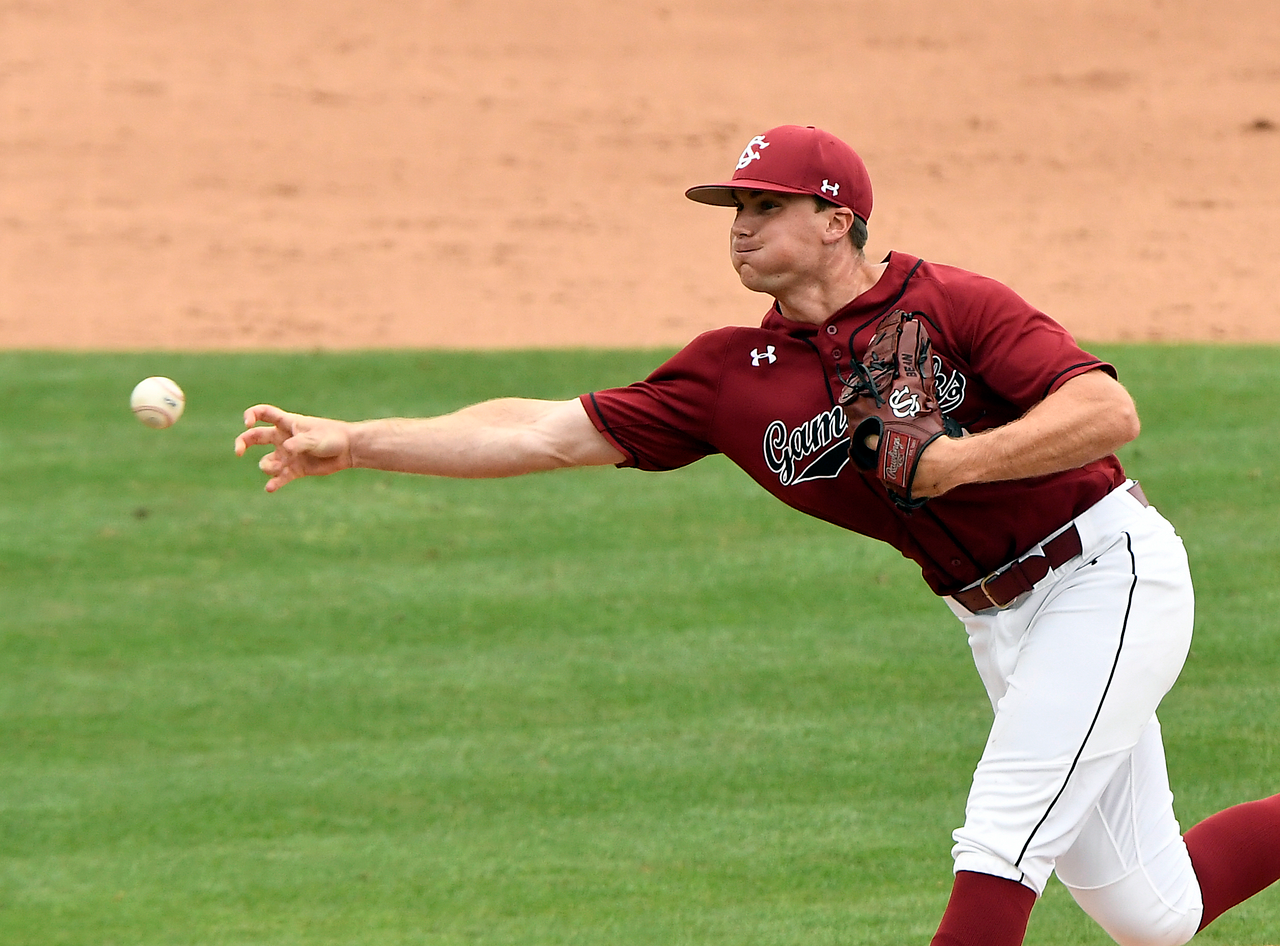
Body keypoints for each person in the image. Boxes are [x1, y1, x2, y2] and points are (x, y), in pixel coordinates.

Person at [234, 125, 1280, 946]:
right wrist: (357, 441)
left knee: (1000, 841)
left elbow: (1106, 411)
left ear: (836, 220)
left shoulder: (951, 302)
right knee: (1152, 915)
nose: (738, 226)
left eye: (764, 205)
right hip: (996, 625)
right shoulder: (730, 375)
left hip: (1102, 577)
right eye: (733, 208)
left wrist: (957, 461)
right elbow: (540, 431)